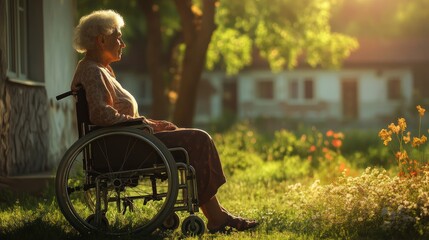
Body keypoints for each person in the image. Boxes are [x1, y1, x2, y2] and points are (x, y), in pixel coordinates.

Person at [71, 9, 258, 234]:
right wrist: (144, 124)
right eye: (118, 37)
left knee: (192, 138)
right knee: (198, 139)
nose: (123, 43)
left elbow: (112, 115)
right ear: (101, 40)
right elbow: (100, 114)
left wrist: (152, 124)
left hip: (129, 141)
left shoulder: (100, 70)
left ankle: (217, 215)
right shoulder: (93, 71)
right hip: (125, 147)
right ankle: (217, 216)